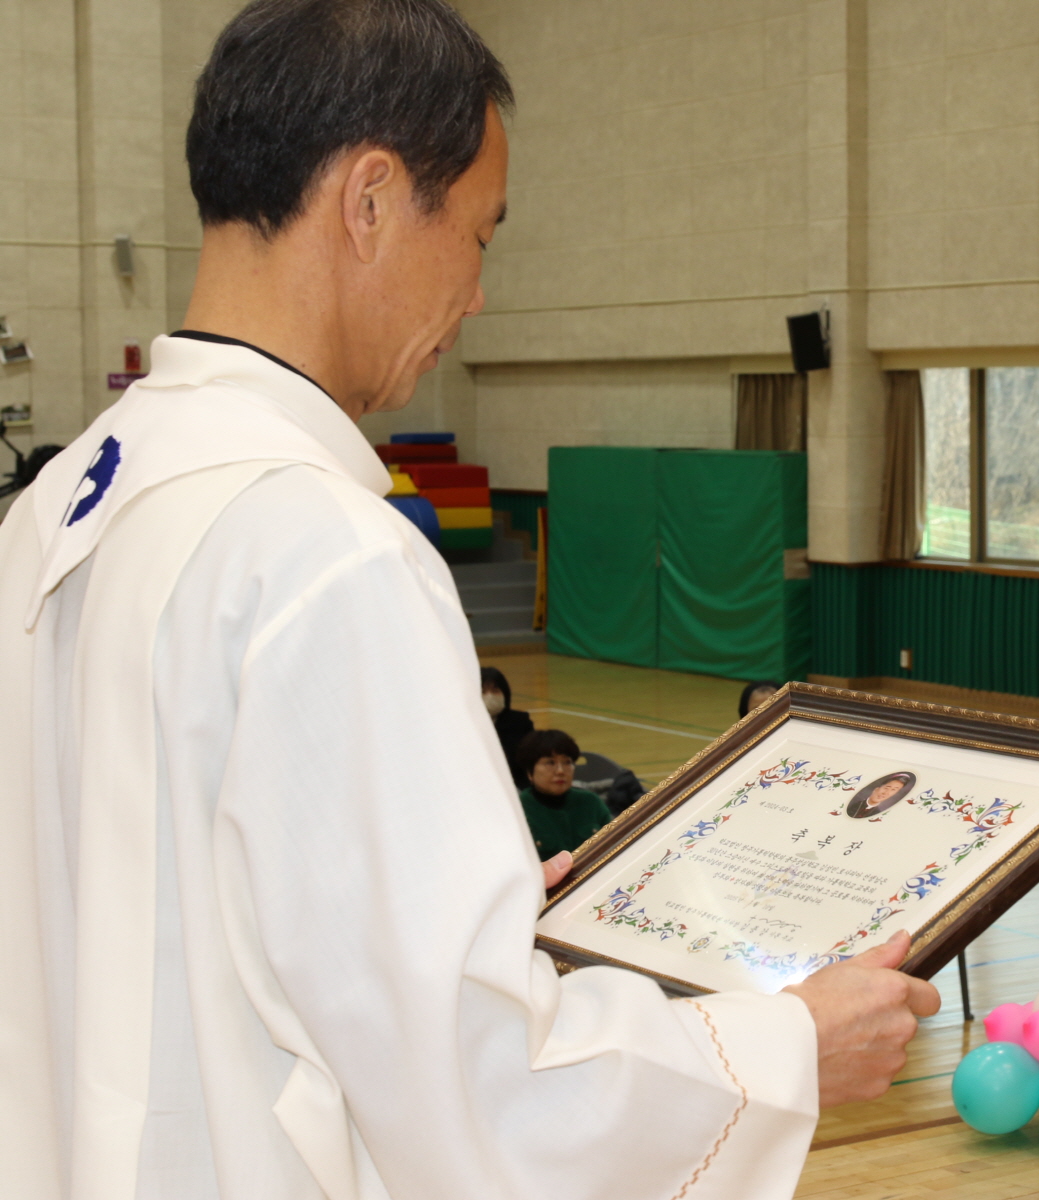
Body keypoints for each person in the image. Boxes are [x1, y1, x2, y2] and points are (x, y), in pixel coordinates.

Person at [0, 4, 937, 1198]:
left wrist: (460, 903)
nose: (479, 295)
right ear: (374, 201)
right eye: (483, 235)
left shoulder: (65, 500)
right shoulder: (325, 552)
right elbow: (480, 1098)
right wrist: (790, 1047)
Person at [516, 728, 612, 858]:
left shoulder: (591, 802)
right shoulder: (518, 812)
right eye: (550, 763)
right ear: (529, 772)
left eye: (567, 762)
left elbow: (614, 845)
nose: (560, 771)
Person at [482, 663, 534, 784]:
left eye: (495, 690)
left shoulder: (520, 721)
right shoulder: (466, 724)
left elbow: (530, 759)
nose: (489, 696)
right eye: (483, 691)